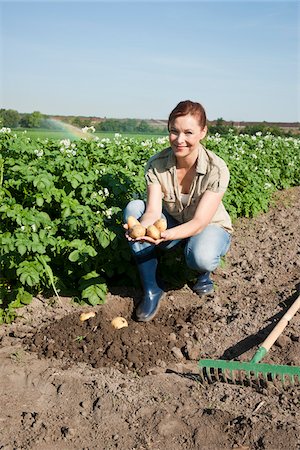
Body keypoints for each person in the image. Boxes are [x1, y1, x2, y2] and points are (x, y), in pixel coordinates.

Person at [123, 100, 232, 322]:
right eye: (174, 131)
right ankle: (152, 289)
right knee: (134, 208)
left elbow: (200, 221)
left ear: (203, 132)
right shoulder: (157, 164)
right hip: (173, 221)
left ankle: (201, 273)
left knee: (201, 256)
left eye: (188, 132)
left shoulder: (216, 169)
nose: (179, 140)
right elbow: (153, 210)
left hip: (207, 226)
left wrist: (165, 235)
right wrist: (143, 228)